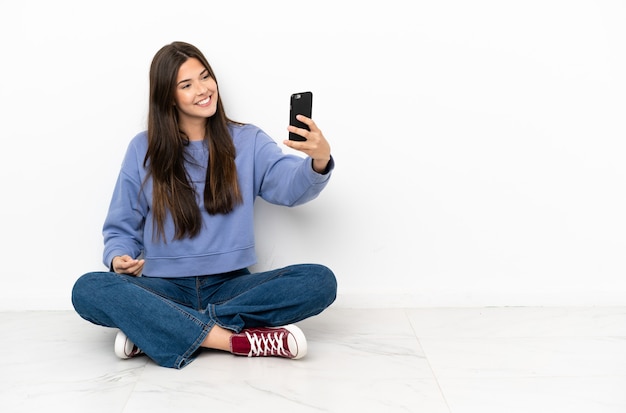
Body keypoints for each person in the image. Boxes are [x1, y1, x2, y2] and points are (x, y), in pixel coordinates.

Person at [71, 41, 337, 369]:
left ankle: (158, 329)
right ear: (168, 96)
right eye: (186, 84)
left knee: (319, 281)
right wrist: (119, 258)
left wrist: (319, 160)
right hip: (164, 286)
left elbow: (288, 187)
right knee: (88, 288)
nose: (202, 89)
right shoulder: (143, 149)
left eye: (205, 76)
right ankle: (230, 340)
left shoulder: (247, 140)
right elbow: (122, 225)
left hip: (231, 286)